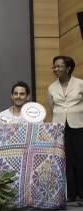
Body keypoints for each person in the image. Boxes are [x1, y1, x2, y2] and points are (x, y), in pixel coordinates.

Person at [48, 55, 83, 202]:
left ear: (68, 68)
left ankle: (82, 192)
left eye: (59, 66)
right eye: (54, 66)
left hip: (79, 124)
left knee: (81, 158)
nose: (56, 69)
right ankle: (71, 193)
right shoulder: (52, 87)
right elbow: (52, 107)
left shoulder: (80, 84)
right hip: (60, 126)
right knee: (65, 159)